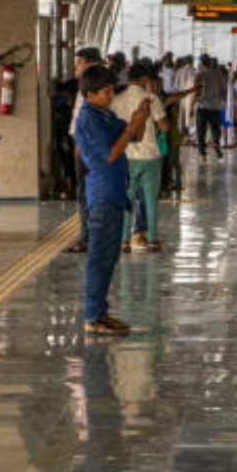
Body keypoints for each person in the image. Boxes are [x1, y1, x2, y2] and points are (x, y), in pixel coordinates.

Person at [74, 65, 151, 336]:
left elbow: (135, 136)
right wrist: (131, 125)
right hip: (102, 195)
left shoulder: (104, 114)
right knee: (99, 258)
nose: (110, 95)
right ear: (90, 94)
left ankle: (101, 312)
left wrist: (141, 118)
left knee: (109, 259)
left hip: (116, 194)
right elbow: (109, 155)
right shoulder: (88, 119)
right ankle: (92, 316)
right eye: (105, 92)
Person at [112, 61, 168, 252]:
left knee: (127, 199)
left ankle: (123, 241)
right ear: (145, 79)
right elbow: (164, 127)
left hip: (126, 156)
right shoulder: (151, 98)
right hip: (150, 156)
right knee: (151, 200)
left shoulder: (116, 99)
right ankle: (152, 240)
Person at [68, 47, 106, 253]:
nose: (76, 67)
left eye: (78, 63)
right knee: (92, 192)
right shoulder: (99, 81)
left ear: (87, 62)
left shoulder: (91, 84)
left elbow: (86, 117)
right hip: (92, 147)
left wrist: (80, 144)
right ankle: (91, 235)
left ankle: (87, 237)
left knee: (86, 193)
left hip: (87, 148)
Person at [195, 55, 227, 160]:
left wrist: (192, 104)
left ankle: (202, 153)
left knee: (201, 130)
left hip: (202, 105)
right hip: (215, 106)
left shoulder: (200, 75)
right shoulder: (219, 74)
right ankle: (216, 142)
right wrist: (224, 102)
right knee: (215, 128)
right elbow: (223, 91)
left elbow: (196, 91)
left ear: (202, 63)